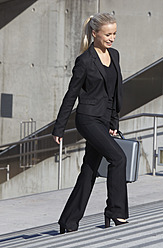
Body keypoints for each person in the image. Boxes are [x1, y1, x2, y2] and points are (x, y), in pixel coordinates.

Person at [52, 13, 128, 234]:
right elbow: (71, 95)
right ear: (94, 33)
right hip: (87, 119)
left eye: (114, 33)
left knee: (89, 170)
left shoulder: (114, 55)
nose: (112, 38)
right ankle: (116, 211)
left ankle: (68, 221)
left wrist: (114, 120)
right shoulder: (84, 61)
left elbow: (115, 92)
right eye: (107, 34)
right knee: (118, 158)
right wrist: (60, 126)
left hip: (104, 120)